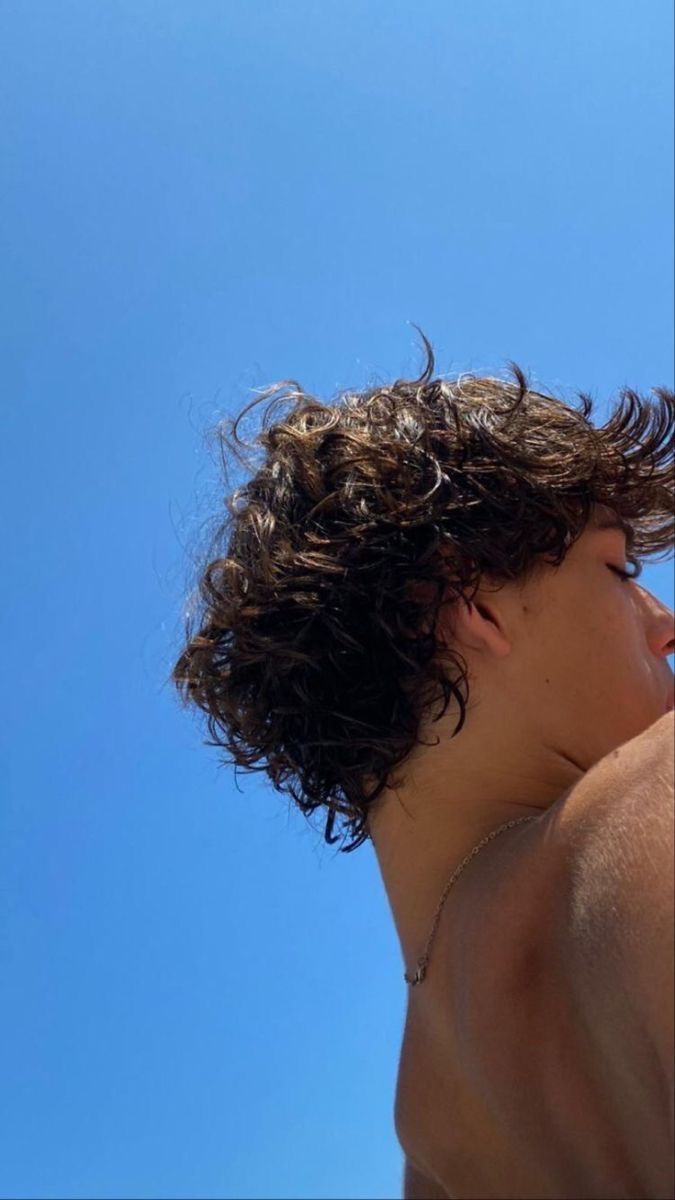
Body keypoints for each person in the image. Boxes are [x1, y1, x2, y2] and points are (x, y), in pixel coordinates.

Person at [171, 330, 674, 1198]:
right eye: (615, 565)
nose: (662, 620)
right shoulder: (656, 801)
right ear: (472, 598)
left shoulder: (430, 1148)